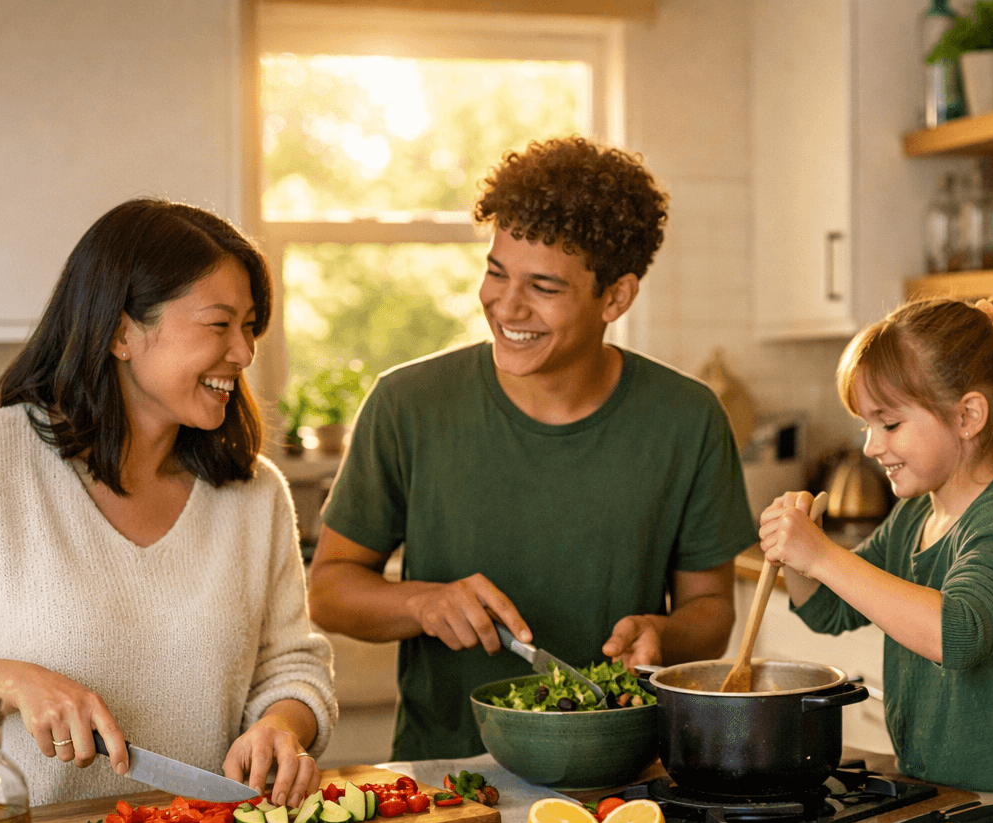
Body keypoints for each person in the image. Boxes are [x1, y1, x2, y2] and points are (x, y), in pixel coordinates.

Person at [308, 137, 757, 761]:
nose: (506, 305)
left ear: (616, 298)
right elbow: (328, 590)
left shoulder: (687, 419)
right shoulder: (407, 404)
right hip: (445, 778)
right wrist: (422, 601)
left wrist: (662, 634)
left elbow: (711, 609)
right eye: (497, 272)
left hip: (625, 774)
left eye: (543, 287)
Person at [0, 198, 337, 809]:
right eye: (219, 324)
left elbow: (291, 667)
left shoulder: (255, 495)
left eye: (250, 327)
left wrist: (280, 729)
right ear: (123, 332)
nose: (244, 352)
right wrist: (15, 682)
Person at [757, 296, 993, 794]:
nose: (871, 446)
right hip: (955, 798)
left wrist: (824, 556)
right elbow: (828, 610)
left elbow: (958, 635)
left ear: (968, 416)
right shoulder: (915, 517)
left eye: (890, 424)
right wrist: (794, 555)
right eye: (867, 426)